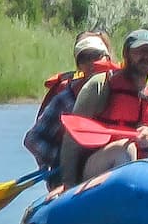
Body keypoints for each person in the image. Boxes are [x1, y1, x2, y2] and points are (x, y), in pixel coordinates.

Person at [64, 28, 148, 185]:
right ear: (126, 53)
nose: (145, 57)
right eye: (139, 51)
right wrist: (68, 185)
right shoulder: (100, 85)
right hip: (97, 166)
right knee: (126, 149)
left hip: (145, 171)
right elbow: (71, 140)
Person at [24, 31, 114, 182]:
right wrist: (59, 159)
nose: (91, 63)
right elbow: (32, 139)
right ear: (78, 65)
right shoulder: (65, 99)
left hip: (107, 166)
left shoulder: (122, 91)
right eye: (85, 58)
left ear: (108, 58)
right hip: (71, 172)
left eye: (96, 56)